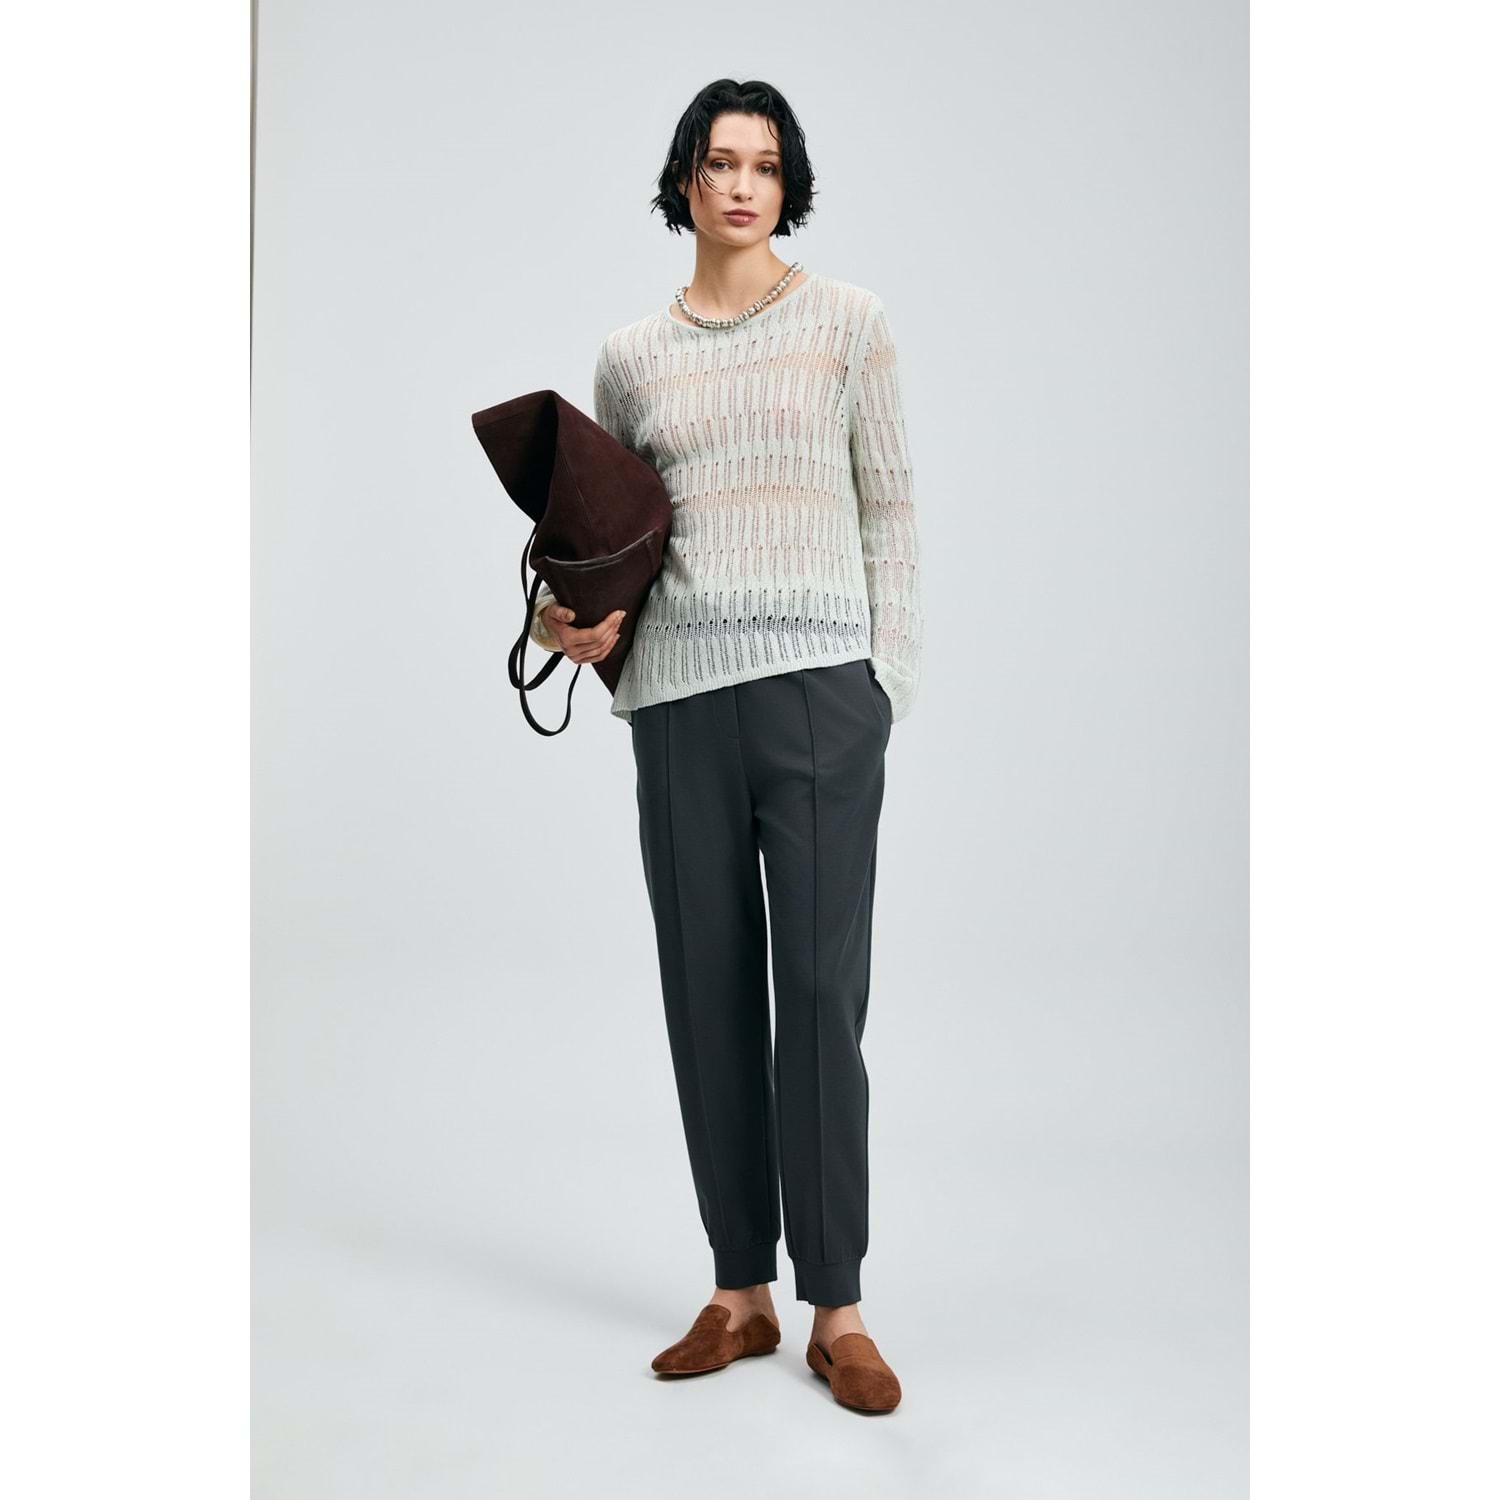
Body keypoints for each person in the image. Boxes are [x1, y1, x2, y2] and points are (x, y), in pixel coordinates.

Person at [529, 79, 923, 1414]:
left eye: (764, 164)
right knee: (707, 993)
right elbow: (605, 534)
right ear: (686, 183)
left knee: (817, 997)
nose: (742, 184)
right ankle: (739, 1292)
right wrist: (564, 618)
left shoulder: (850, 324)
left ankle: (839, 1307)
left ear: (786, 183)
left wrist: (882, 683)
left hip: (819, 695)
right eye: (719, 162)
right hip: (681, 704)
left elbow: (891, 508)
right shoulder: (631, 356)